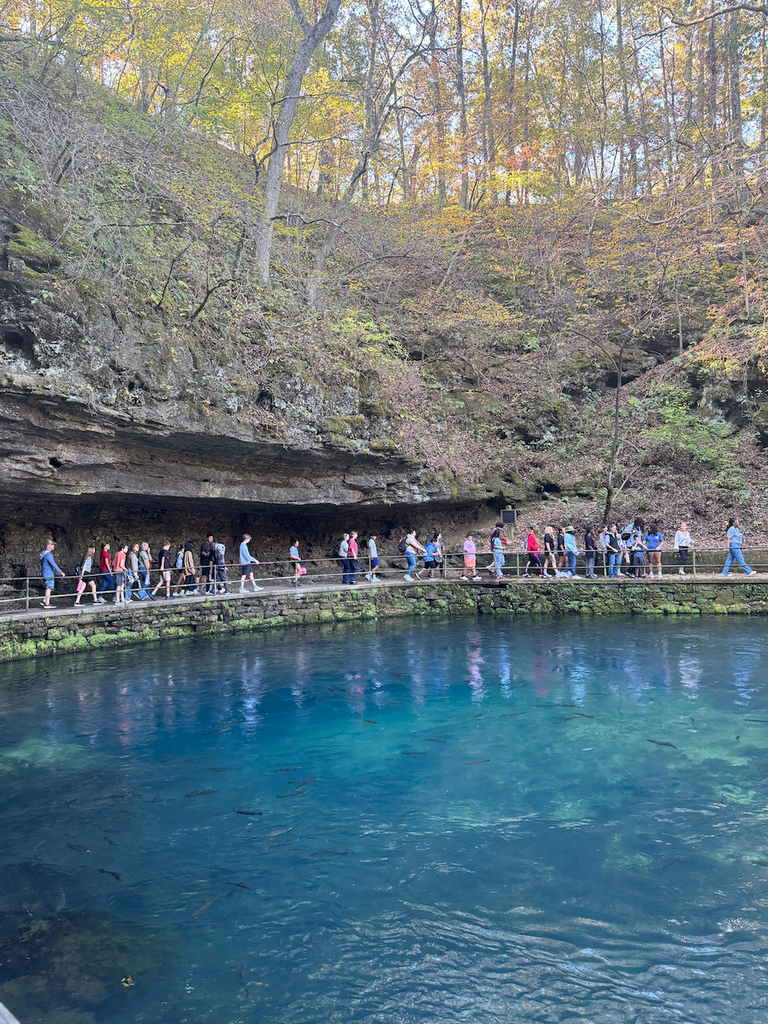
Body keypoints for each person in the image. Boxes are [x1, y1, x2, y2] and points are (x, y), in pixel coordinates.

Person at [39, 540, 66, 608]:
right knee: (49, 588)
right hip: (48, 573)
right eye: (52, 545)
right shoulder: (48, 555)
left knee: (48, 587)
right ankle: (47, 604)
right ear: (48, 546)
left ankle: (44, 601)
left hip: (44, 572)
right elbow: (53, 564)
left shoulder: (43, 554)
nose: (53, 546)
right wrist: (61, 572)